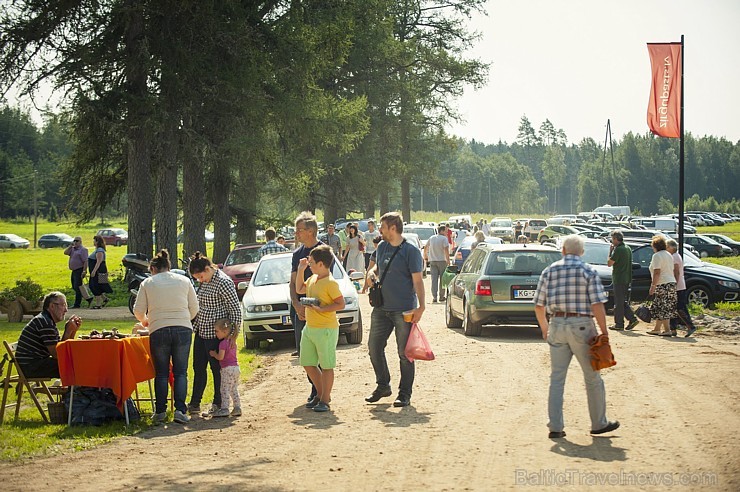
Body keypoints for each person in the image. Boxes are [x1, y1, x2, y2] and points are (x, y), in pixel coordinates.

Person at [533, 234, 620, 439]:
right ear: (582, 252)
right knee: (592, 377)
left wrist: (545, 327)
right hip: (582, 326)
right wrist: (604, 332)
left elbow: (538, 305)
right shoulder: (588, 270)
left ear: (562, 250)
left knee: (557, 379)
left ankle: (555, 426)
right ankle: (598, 423)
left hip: (556, 324)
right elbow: (597, 305)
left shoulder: (549, 271)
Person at [364, 212, 425, 407]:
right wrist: (372, 274)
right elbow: (374, 268)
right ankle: (383, 385)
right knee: (374, 348)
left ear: (393, 228)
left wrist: (421, 307)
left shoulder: (411, 251)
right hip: (381, 308)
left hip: (404, 310)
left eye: (382, 227)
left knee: (404, 353)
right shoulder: (381, 247)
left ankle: (404, 394)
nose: (379, 230)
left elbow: (418, 280)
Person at [134, 249, 199, 424]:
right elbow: (195, 308)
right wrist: (184, 318)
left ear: (153, 268)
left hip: (159, 329)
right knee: (180, 372)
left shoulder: (147, 283)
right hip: (183, 328)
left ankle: (160, 412)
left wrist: (147, 321)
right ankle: (180, 410)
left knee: (161, 373)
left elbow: (138, 310)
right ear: (168, 267)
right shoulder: (184, 281)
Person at [188, 252, 242, 417]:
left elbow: (235, 309)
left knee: (217, 369)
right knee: (198, 367)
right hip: (201, 331)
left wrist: (232, 335)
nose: (200, 280)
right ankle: (195, 403)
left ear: (207, 268)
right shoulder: (204, 282)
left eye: (201, 276)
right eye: (197, 278)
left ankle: (219, 403)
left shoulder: (224, 282)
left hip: (216, 335)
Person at [296, 245, 345, 412]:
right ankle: (321, 393)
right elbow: (299, 289)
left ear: (322, 264)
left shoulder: (330, 283)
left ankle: (324, 399)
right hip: (310, 328)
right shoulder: (313, 279)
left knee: (326, 365)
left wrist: (322, 309)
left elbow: (341, 303)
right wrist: (301, 269)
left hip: (326, 329)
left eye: (311, 263)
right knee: (307, 363)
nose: (309, 264)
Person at [290, 212, 324, 399]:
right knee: (305, 354)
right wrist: (296, 305)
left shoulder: (324, 251)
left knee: (320, 353)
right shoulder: (297, 254)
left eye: (300, 230)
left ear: (310, 231)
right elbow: (293, 282)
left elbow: (324, 281)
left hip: (319, 310)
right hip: (300, 310)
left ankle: (320, 392)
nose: (297, 234)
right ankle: (315, 388)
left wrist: (310, 306)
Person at [15, 292, 82, 378]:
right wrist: (67, 331)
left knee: (75, 362)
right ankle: (79, 390)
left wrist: (73, 331)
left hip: (34, 363)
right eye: (63, 305)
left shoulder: (47, 320)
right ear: (52, 306)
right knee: (75, 364)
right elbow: (58, 354)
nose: (66, 310)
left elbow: (62, 348)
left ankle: (77, 390)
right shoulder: (45, 322)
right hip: (31, 367)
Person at [208, 319, 241, 417]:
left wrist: (214, 354)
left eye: (217, 331)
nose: (215, 333)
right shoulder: (233, 341)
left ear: (225, 331)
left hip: (227, 369)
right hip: (236, 368)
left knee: (224, 389)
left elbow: (221, 357)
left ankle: (225, 408)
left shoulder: (222, 343)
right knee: (234, 389)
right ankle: (237, 407)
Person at [607, 231, 639, 331]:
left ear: (616, 239)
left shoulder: (619, 249)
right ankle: (632, 318)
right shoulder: (627, 248)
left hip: (619, 278)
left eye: (613, 239)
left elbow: (609, 263)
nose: (612, 241)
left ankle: (619, 323)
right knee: (622, 301)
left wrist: (610, 251)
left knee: (618, 302)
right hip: (626, 278)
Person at [647, 236, 677, 336]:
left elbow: (657, 272)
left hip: (662, 283)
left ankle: (667, 330)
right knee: (661, 305)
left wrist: (653, 286)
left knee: (663, 306)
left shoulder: (657, 256)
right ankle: (657, 328)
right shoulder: (669, 255)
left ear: (655, 246)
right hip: (671, 282)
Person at [666, 239, 697, 338]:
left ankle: (690, 325)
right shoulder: (676, 256)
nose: (666, 249)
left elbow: (676, 272)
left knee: (679, 307)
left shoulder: (674, 257)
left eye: (667, 247)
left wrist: (674, 284)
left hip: (678, 286)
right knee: (673, 308)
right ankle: (673, 328)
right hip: (679, 285)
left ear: (671, 247)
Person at [424, 224, 450, 303]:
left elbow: (426, 247)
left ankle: (434, 296)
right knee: (442, 279)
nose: (446, 232)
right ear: (441, 231)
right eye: (445, 231)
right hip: (442, 260)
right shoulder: (444, 239)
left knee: (434, 279)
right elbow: (446, 250)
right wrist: (448, 260)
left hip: (432, 260)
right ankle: (441, 296)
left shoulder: (432, 238)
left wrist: (426, 256)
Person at [87, 235, 113, 309]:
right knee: (97, 286)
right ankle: (104, 299)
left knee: (95, 286)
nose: (93, 242)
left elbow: (99, 262)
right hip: (98, 271)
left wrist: (94, 271)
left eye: (94, 240)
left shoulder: (100, 251)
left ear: (97, 241)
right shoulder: (97, 250)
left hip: (99, 272)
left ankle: (98, 304)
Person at [64, 236, 89, 309]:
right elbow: (65, 253)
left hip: (79, 269)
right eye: (74, 241)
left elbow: (85, 261)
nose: (75, 242)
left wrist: (84, 271)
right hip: (74, 270)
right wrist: (70, 246)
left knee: (77, 286)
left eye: (77, 241)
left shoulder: (83, 250)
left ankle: (77, 303)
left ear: (80, 242)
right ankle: (87, 298)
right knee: (74, 286)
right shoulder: (72, 249)